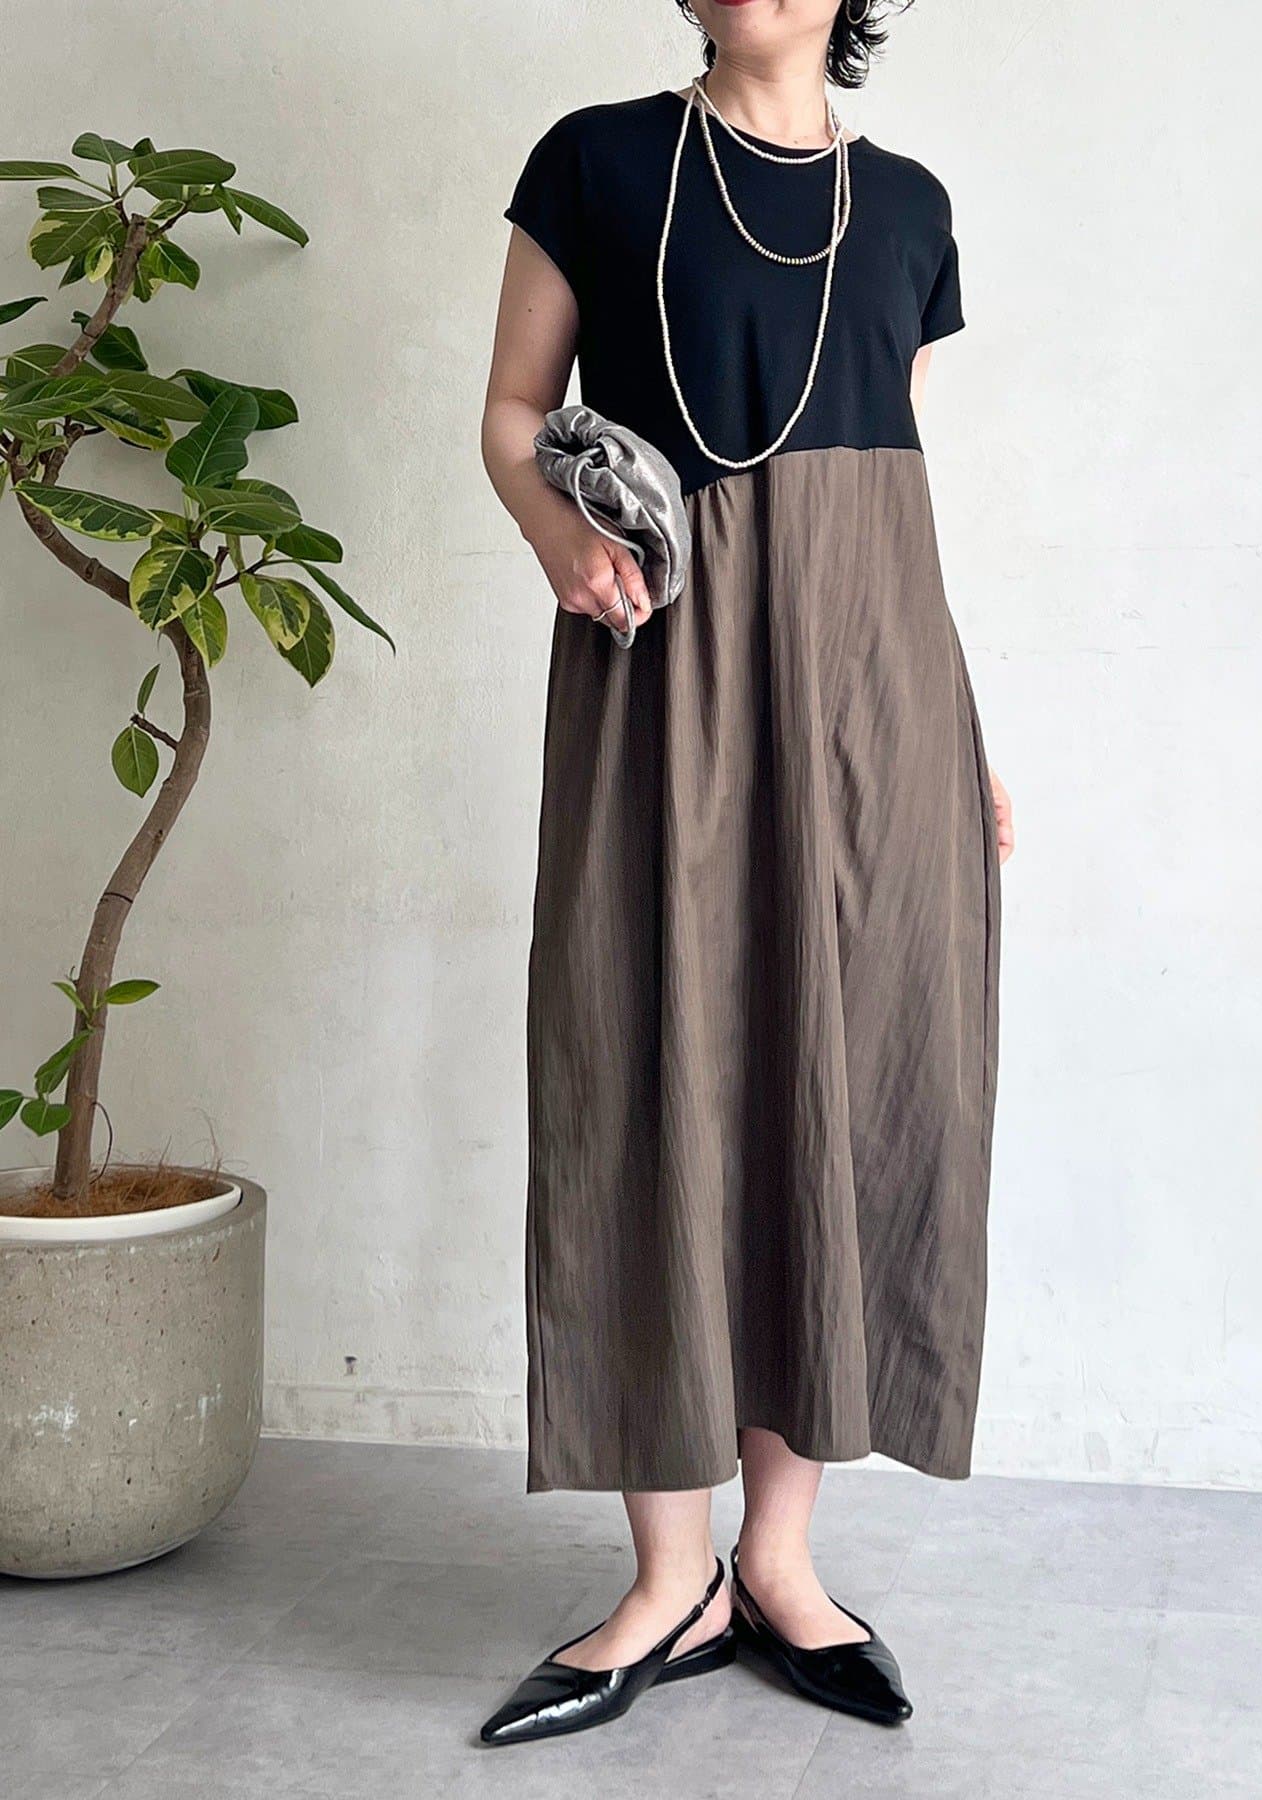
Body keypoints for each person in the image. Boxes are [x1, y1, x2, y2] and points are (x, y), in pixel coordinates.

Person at [478, 0, 1014, 1746]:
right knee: (649, 1064)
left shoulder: (911, 207)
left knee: (831, 1089)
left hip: (876, 701)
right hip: (672, 669)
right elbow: (513, 412)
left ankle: (777, 1563)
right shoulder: (600, 160)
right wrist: (558, 538)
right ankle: (669, 1578)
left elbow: (899, 501)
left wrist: (965, 737)